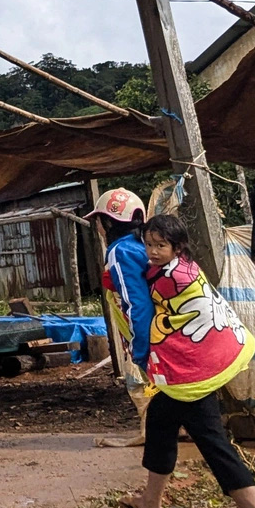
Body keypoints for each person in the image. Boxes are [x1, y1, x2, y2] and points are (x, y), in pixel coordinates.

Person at [118, 213, 255, 508]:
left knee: (216, 448)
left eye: (159, 246)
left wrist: (120, 275)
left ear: (177, 246)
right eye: (147, 245)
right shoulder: (188, 266)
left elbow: (144, 298)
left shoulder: (169, 279)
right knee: (161, 422)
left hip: (193, 373)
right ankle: (150, 504)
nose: (151, 252)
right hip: (200, 363)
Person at [93, 187, 152, 445]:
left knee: (147, 382)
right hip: (163, 327)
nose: (96, 227)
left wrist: (140, 347)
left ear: (107, 222)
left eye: (98, 220)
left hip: (147, 331)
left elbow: (136, 302)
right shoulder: (144, 245)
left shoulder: (121, 251)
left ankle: (151, 432)